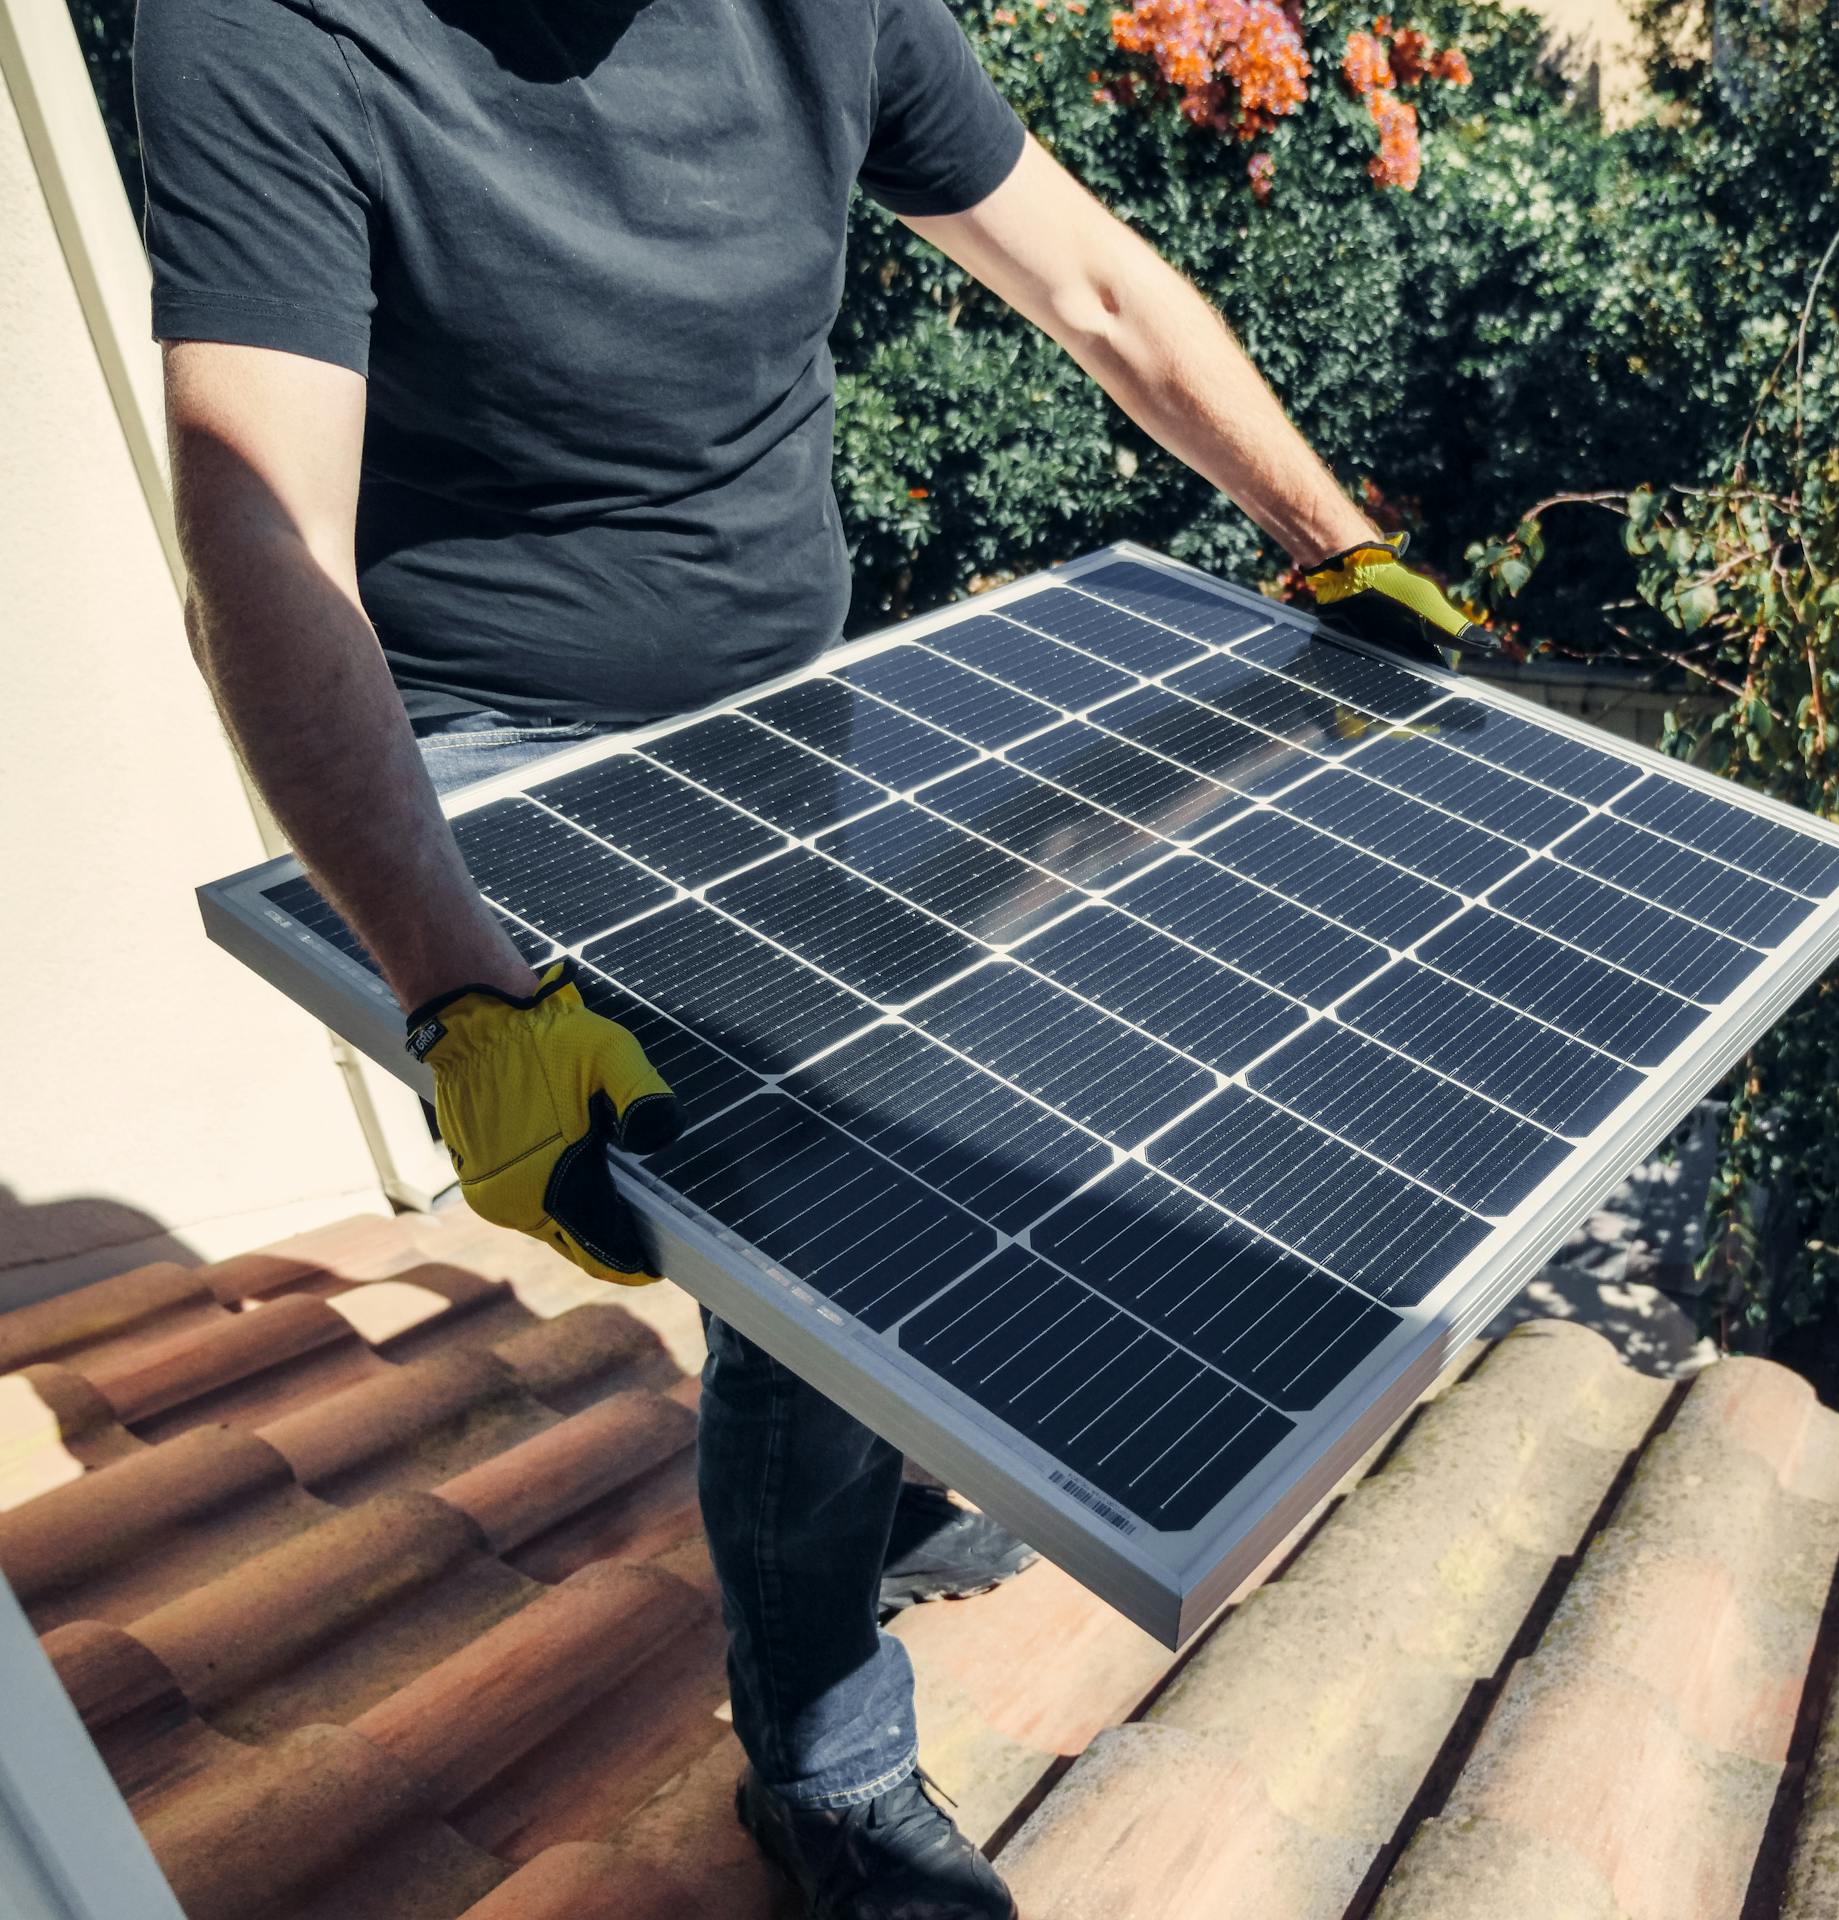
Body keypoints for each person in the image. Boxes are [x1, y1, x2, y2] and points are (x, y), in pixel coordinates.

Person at [133, 0, 1487, 1910]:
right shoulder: (270, 34)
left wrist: (1332, 542)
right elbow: (261, 540)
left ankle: (859, 1478)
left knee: (917, 1137)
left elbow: (1093, 281)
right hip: (500, 748)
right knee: (825, 1200)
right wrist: (460, 989)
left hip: (791, 700)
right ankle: (827, 1769)